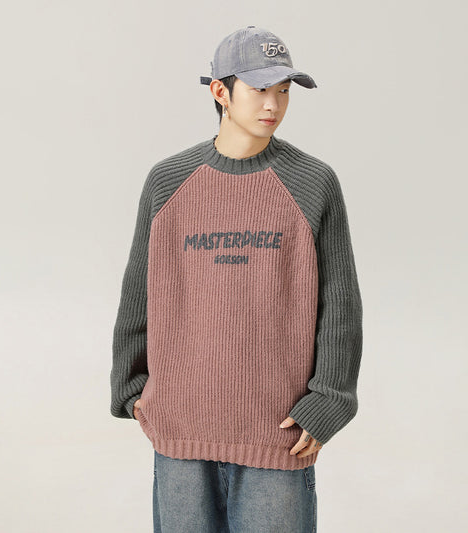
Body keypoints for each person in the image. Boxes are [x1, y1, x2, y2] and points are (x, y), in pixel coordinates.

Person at [110, 25, 363, 532]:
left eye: (284, 91)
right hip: (181, 431)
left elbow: (340, 305)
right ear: (220, 92)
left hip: (278, 431)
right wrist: (131, 386)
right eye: (260, 89)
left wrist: (329, 401)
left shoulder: (313, 183)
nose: (273, 104)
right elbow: (139, 292)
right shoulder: (168, 181)